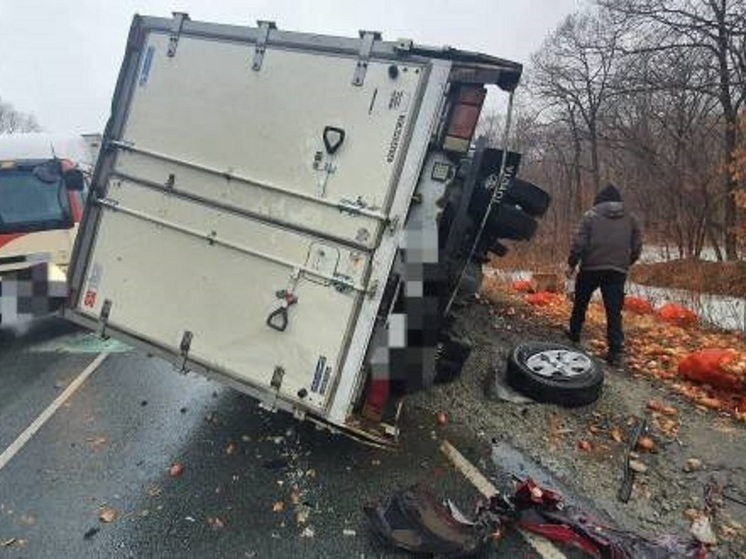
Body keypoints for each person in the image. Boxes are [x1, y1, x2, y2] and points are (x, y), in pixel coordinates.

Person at [566, 184, 642, 366]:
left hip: (591, 267)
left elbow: (579, 243)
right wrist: (626, 262)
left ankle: (574, 334)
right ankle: (615, 352)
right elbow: (637, 246)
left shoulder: (590, 216)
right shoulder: (631, 218)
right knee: (614, 311)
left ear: (598, 201)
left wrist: (572, 263)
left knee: (581, 302)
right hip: (617, 271)